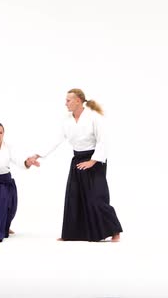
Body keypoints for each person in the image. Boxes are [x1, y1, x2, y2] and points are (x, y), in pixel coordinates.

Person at [30, 88, 123, 242]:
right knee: (74, 196)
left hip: (95, 160)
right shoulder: (67, 120)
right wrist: (38, 154)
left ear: (78, 101)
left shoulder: (93, 117)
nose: (65, 103)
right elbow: (55, 139)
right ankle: (72, 234)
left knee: (96, 198)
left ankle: (114, 231)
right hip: (78, 160)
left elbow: (103, 141)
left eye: (68, 100)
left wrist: (92, 161)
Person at [0, 122, 38, 244]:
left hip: (7, 180)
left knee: (11, 207)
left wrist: (27, 162)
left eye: (1, 132)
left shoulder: (8, 147)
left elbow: (17, 160)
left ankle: (4, 227)